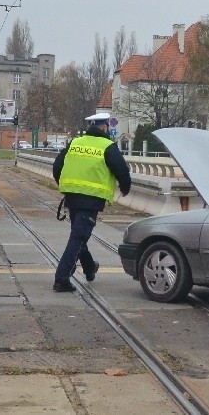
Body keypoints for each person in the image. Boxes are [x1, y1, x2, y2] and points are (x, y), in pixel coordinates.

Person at [52, 112, 131, 292]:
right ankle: (62, 278)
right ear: (104, 127)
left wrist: (65, 184)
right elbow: (122, 170)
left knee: (79, 235)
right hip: (91, 200)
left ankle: (89, 267)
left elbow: (57, 167)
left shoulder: (75, 143)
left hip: (72, 197)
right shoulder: (108, 146)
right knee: (78, 237)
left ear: (90, 127)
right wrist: (125, 188)